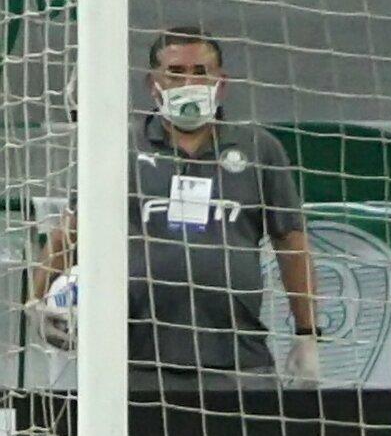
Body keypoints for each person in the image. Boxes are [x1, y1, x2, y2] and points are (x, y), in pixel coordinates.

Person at [29, 26, 320, 389]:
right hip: (132, 362)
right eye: (176, 73)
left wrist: (308, 333)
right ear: (154, 85)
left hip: (239, 361)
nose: (189, 82)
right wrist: (34, 303)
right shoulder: (120, 148)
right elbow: (73, 231)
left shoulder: (260, 148)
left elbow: (291, 242)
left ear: (221, 82)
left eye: (201, 72)